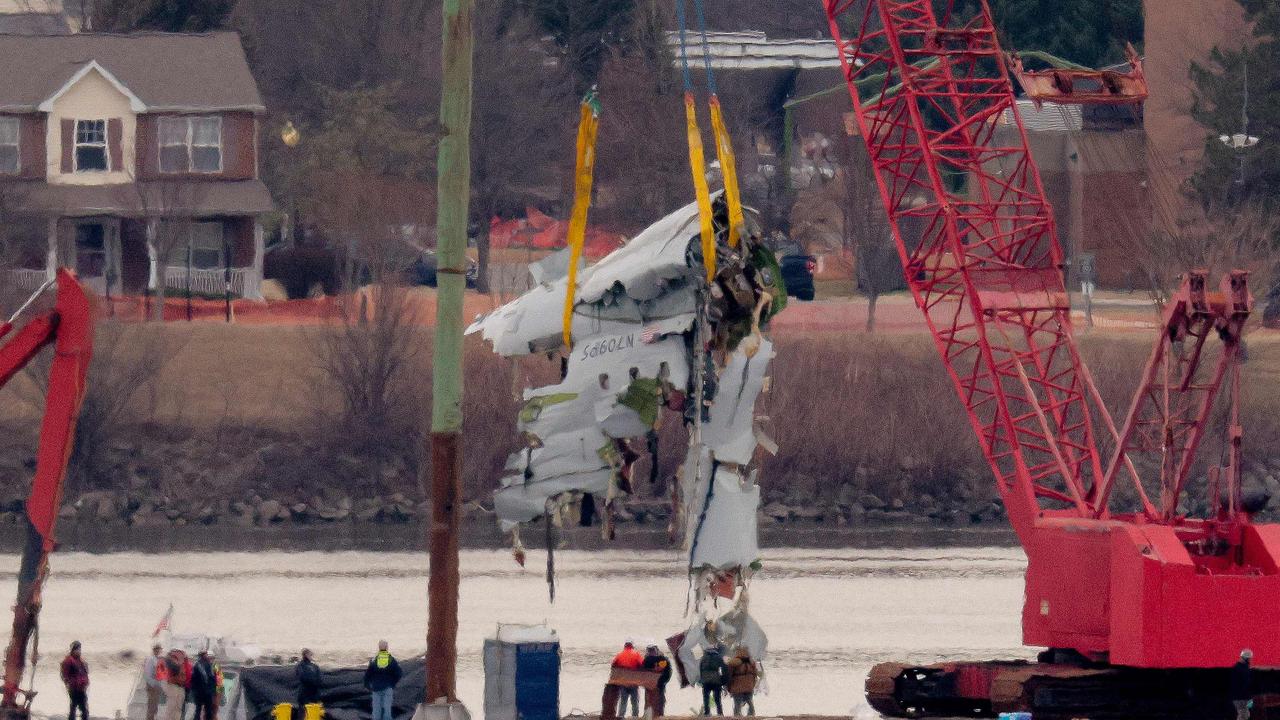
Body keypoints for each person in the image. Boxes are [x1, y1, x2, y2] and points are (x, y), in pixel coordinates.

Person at [364, 641, 402, 720]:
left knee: (376, 712)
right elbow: (398, 673)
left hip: (376, 688)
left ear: (379, 648)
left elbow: (368, 674)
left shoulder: (374, 660)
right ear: (387, 647)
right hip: (387, 687)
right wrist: (393, 683)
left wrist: (367, 685)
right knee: (387, 710)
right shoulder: (391, 660)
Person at [611, 641, 644, 718]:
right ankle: (635, 717)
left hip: (623, 681)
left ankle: (621, 716)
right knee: (635, 701)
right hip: (633, 682)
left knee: (623, 701)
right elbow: (643, 665)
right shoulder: (636, 654)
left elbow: (613, 665)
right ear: (632, 646)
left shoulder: (619, 655)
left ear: (624, 646)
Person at [60, 641, 89, 720]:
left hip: (82, 688)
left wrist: (86, 682)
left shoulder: (80, 661)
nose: (79, 651)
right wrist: (68, 683)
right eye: (77, 649)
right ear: (73, 650)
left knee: (83, 709)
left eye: (79, 649)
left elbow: (85, 672)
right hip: (74, 688)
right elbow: (64, 674)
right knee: (74, 708)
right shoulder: (69, 661)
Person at [726, 647, 759, 716]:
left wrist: (728, 686)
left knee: (737, 703)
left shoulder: (733, 662)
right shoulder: (751, 662)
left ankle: (737, 715)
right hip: (749, 686)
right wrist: (753, 684)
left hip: (737, 686)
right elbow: (755, 674)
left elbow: (729, 674)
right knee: (749, 701)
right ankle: (751, 715)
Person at [641, 644, 672, 717]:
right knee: (660, 698)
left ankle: (647, 714)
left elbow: (642, 672)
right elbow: (668, 672)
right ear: (656, 650)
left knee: (648, 699)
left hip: (650, 683)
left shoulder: (646, 660)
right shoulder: (663, 659)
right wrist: (665, 681)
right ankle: (660, 714)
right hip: (660, 682)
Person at [699, 645, 729, 717]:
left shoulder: (703, 658)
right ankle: (720, 713)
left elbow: (700, 670)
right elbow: (724, 668)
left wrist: (702, 679)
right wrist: (723, 680)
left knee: (706, 697)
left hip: (706, 680)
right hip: (716, 680)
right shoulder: (718, 657)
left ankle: (707, 712)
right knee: (717, 698)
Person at [159, 649, 189, 720]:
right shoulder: (170, 660)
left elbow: (184, 676)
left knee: (178, 708)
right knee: (171, 708)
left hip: (179, 686)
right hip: (172, 685)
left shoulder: (182, 662)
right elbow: (172, 675)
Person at [189, 650, 219, 720]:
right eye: (205, 654)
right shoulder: (197, 665)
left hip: (207, 692)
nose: (207, 656)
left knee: (208, 710)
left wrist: (213, 690)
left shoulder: (210, 665)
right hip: (200, 692)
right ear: (202, 656)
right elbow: (193, 680)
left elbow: (213, 679)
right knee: (198, 710)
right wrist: (195, 691)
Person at [1231, 649, 1254, 720]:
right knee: (1243, 715)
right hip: (1241, 697)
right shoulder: (1240, 668)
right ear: (1246, 658)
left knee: (1246, 714)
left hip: (1243, 697)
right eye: (1249, 658)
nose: (1250, 660)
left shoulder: (1242, 667)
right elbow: (1244, 684)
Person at [144, 643, 164, 720]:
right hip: (152, 686)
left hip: (156, 686)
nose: (159, 651)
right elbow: (148, 675)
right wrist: (154, 685)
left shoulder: (156, 659)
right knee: (151, 707)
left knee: (154, 707)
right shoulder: (151, 659)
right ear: (155, 650)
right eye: (158, 649)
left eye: (160, 649)